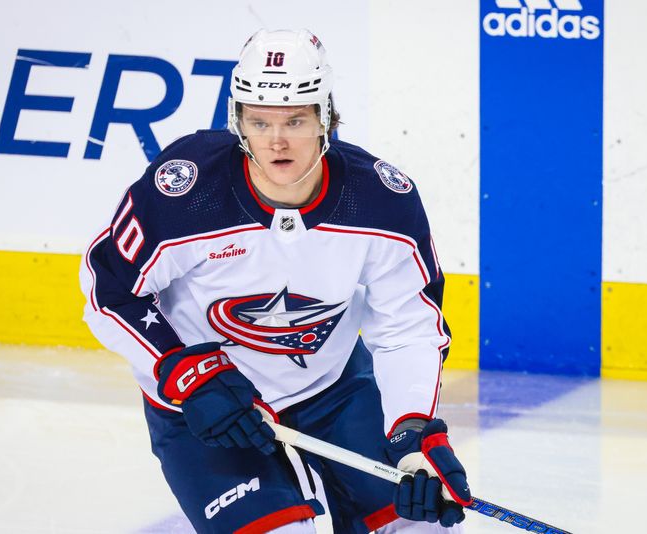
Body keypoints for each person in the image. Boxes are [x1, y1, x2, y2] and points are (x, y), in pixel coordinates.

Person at [80, 29, 471, 533]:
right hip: (206, 400)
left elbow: (408, 329)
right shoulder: (186, 192)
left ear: (325, 117)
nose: (276, 141)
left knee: (417, 524)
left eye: (295, 120)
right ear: (237, 120)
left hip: (332, 386)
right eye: (259, 120)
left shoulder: (381, 201)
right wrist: (185, 374)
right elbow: (108, 291)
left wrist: (414, 433)